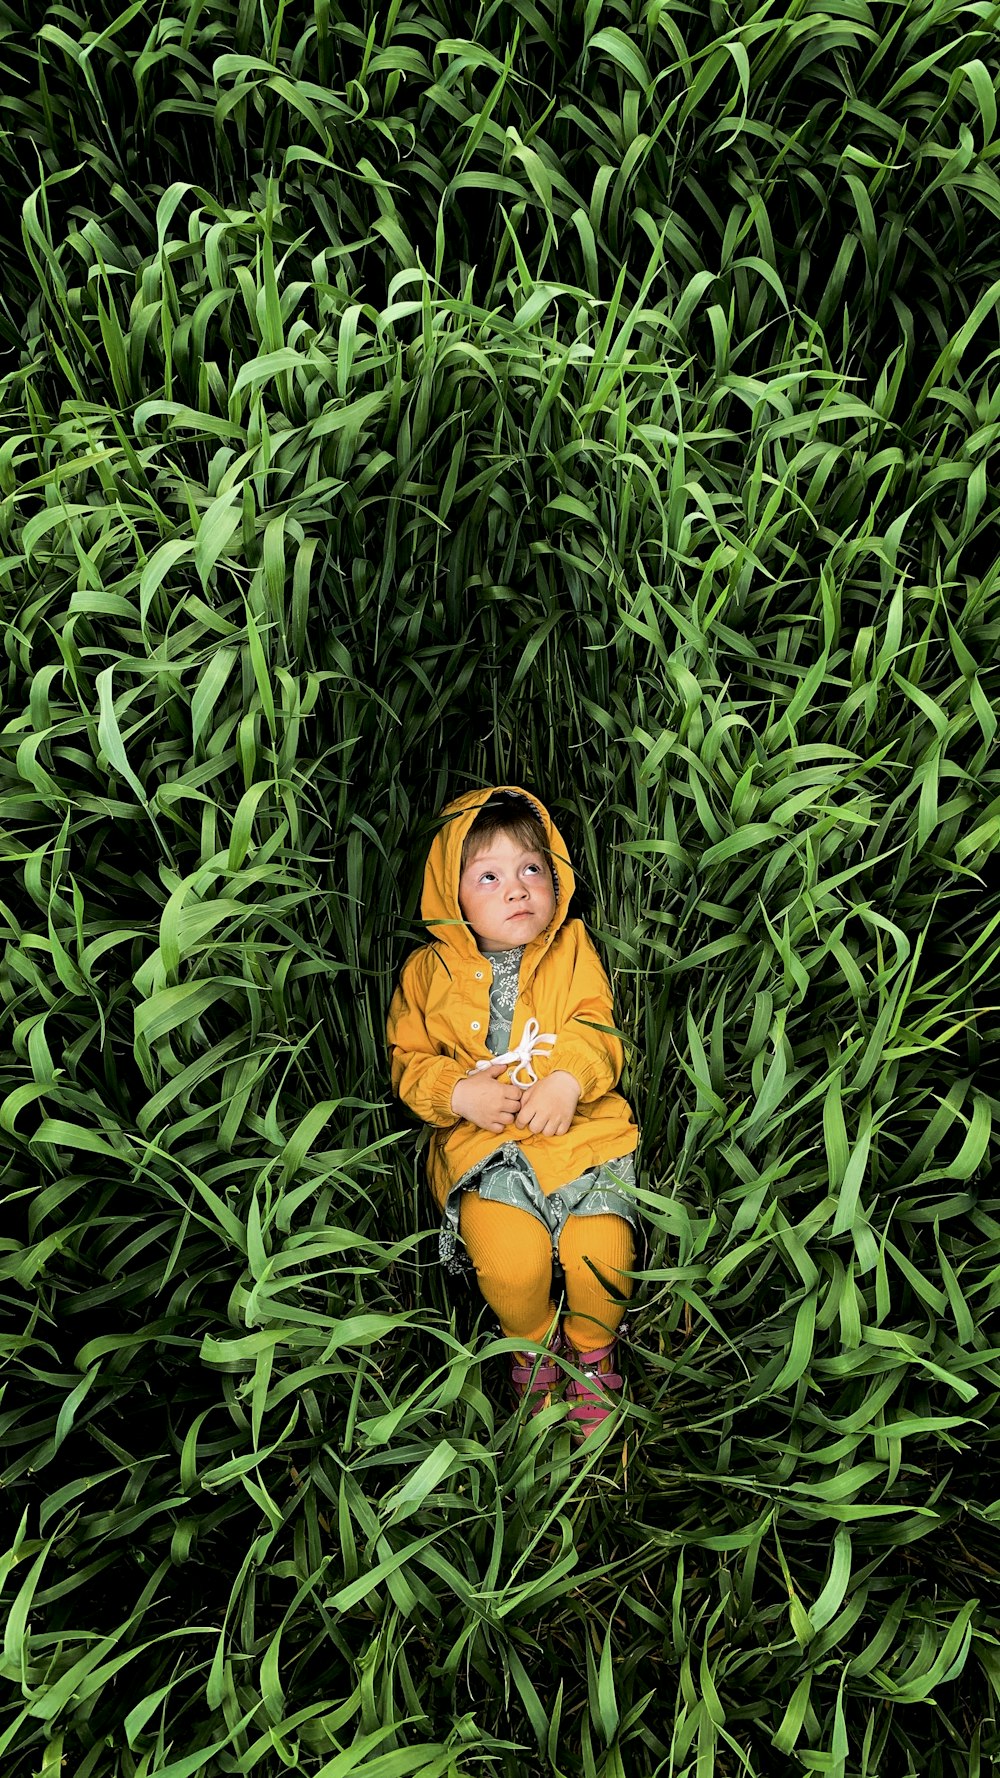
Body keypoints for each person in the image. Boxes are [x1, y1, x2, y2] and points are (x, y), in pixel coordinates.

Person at [386, 785, 640, 1438]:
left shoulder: (570, 947)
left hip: (582, 1134)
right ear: (451, 895)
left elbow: (596, 1025)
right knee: (509, 1258)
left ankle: (592, 1350)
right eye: (489, 876)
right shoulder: (427, 973)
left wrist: (568, 1079)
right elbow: (408, 1060)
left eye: (532, 868)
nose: (517, 888)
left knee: (603, 1252)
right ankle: (530, 1343)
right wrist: (456, 1092)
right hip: (485, 1145)